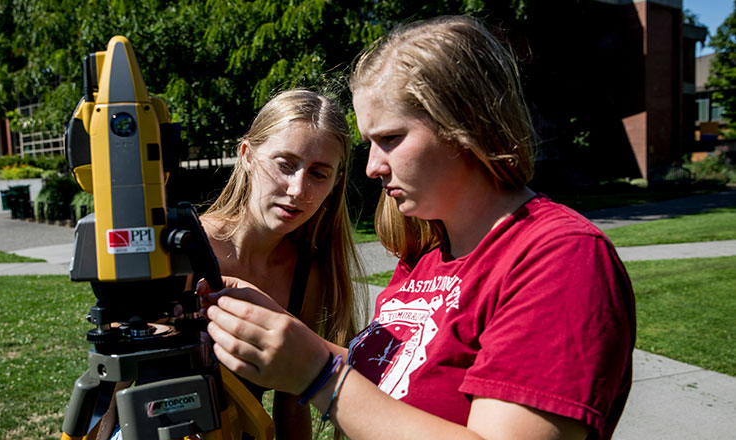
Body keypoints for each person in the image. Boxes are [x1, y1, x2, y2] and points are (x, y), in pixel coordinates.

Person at [200, 15, 635, 440]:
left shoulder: (560, 259)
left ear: (464, 124)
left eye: (389, 139)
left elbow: (338, 382)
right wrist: (281, 330)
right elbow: (393, 380)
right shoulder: (428, 259)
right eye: (369, 143)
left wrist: (319, 375)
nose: (371, 167)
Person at [199, 89, 363, 439]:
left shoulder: (308, 274)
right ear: (246, 155)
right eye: (285, 165)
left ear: (336, 181)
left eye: (318, 173)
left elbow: (293, 403)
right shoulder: (185, 249)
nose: (297, 189)